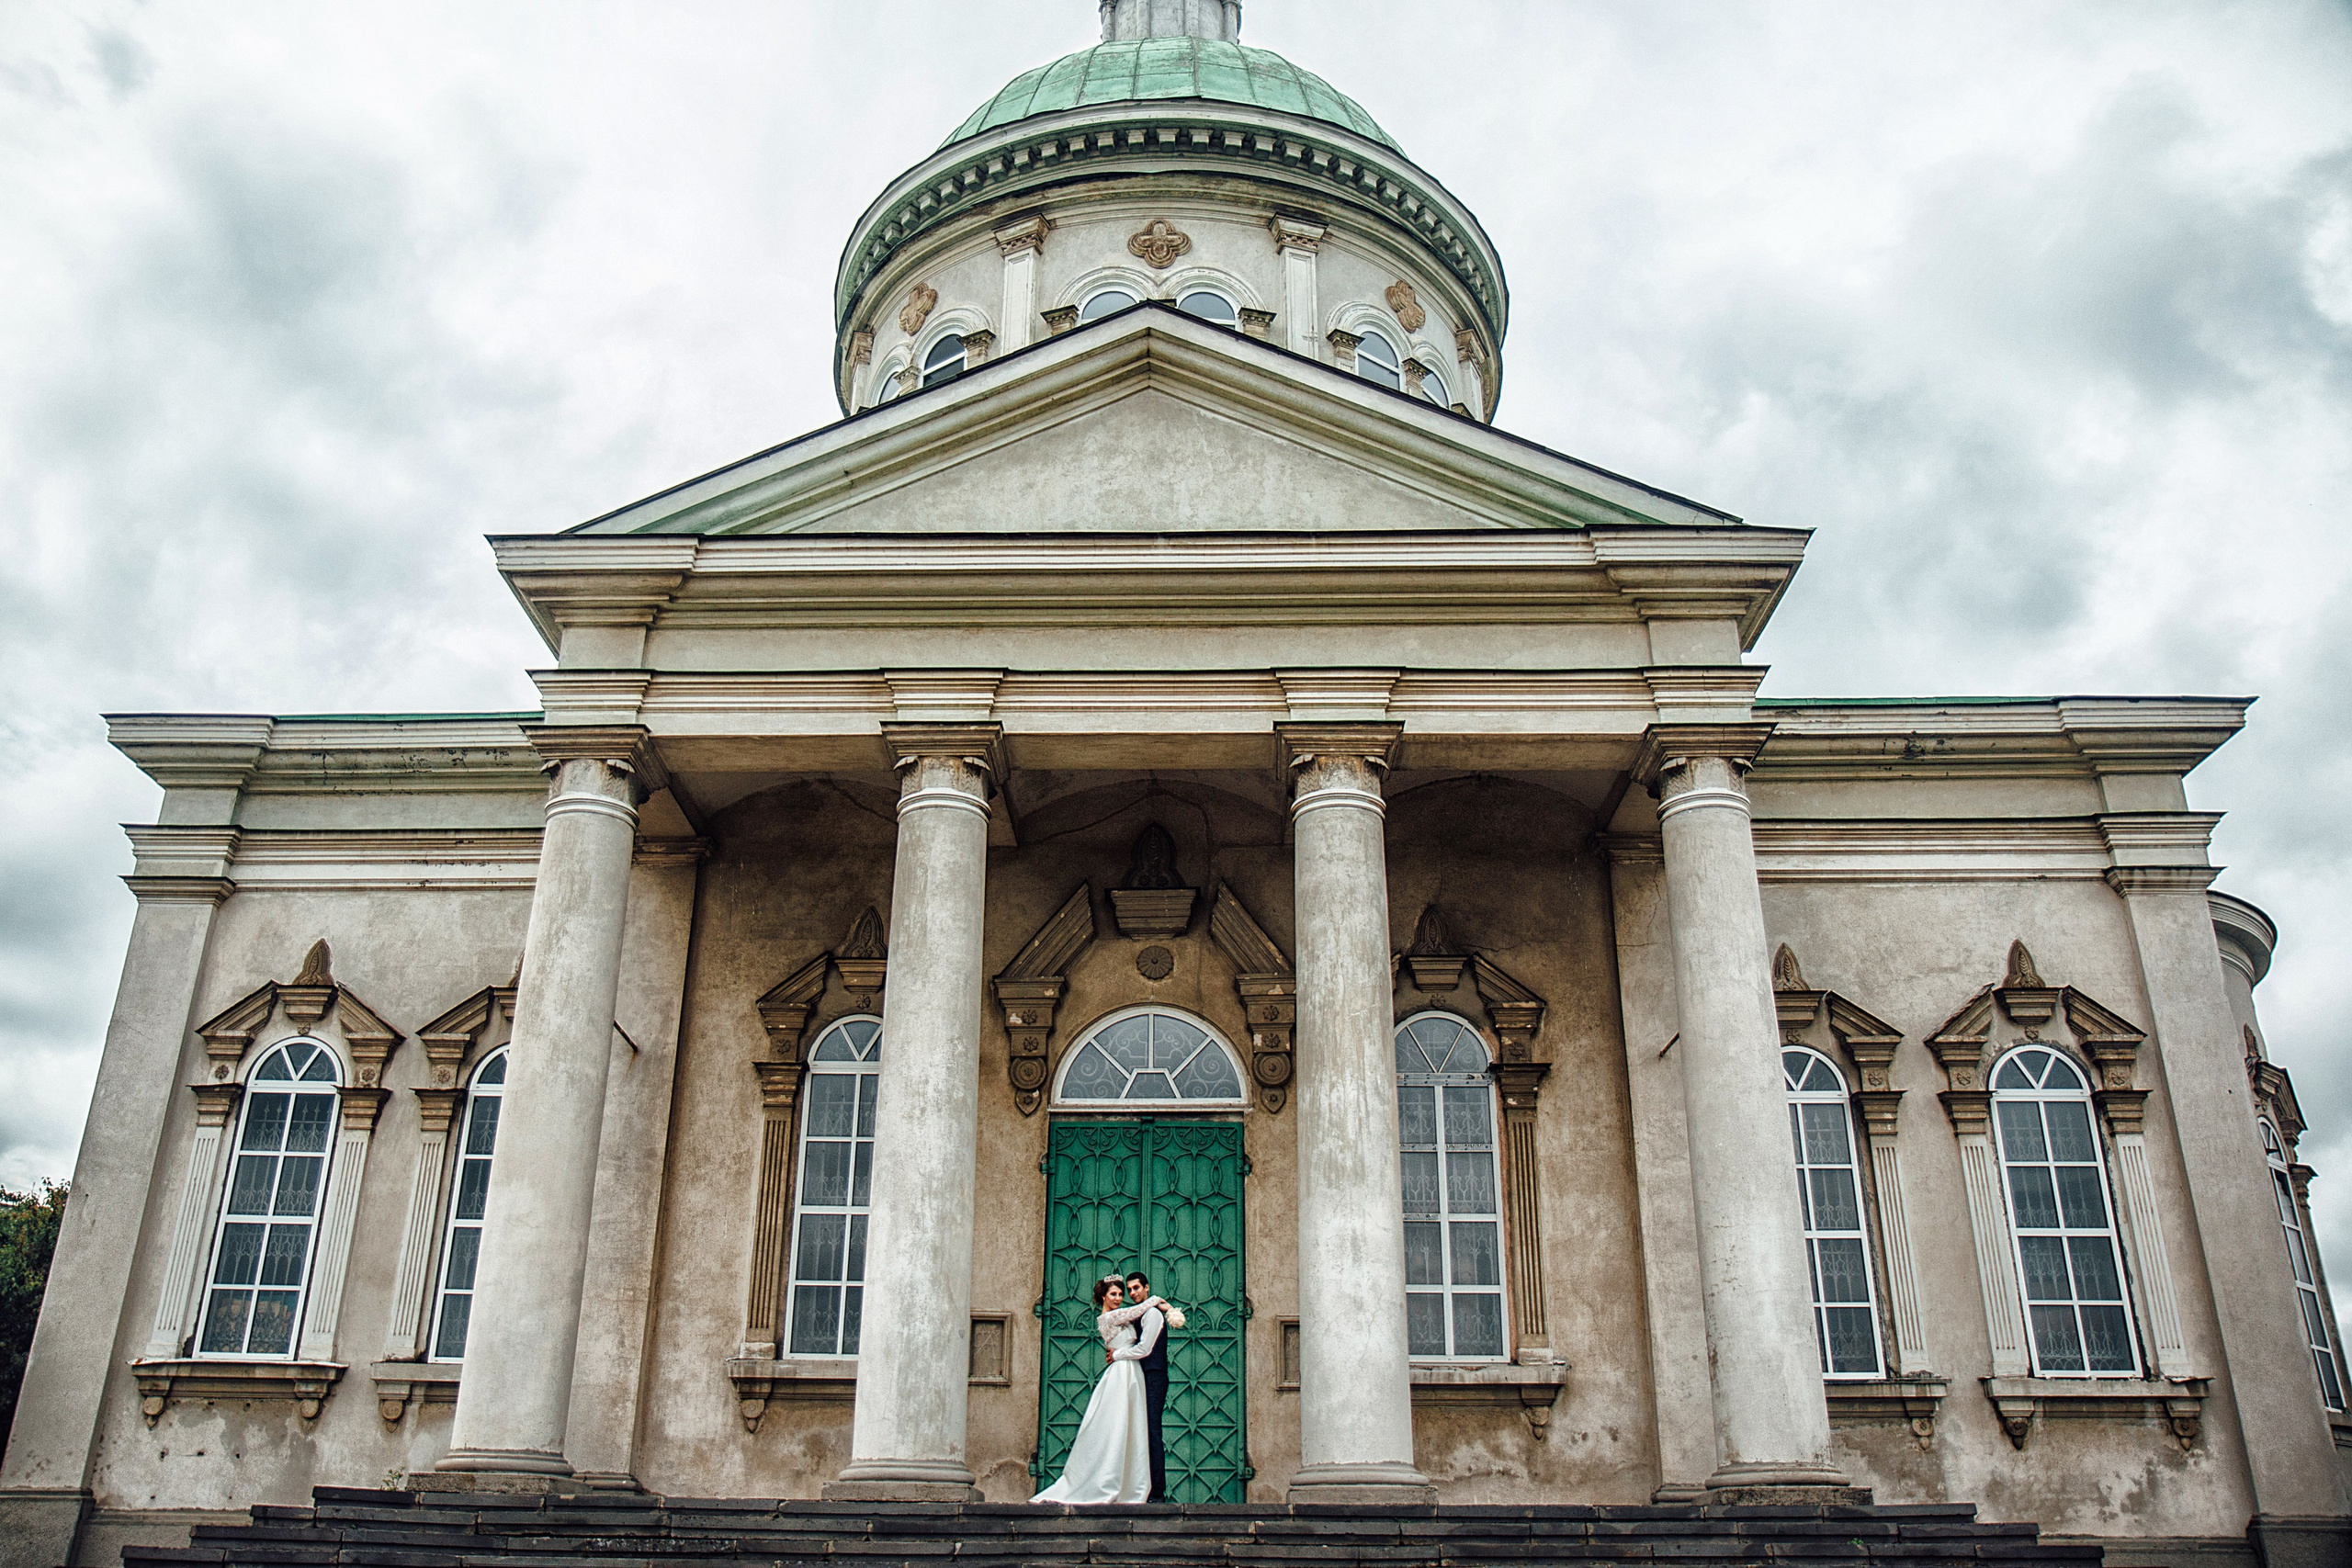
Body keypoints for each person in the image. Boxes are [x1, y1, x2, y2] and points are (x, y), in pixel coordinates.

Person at [1030, 1275, 1166, 1505]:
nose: (1119, 1298)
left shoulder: (1124, 1316)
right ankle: (1108, 1481)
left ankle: (1132, 1482)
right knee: (1117, 1426)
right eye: (1114, 1294)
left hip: (1133, 1373)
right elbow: (1137, 1312)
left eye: (1121, 1294)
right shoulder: (1109, 1317)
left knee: (1133, 1427)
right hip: (1122, 1373)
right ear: (1103, 1296)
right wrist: (1157, 1301)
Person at [1124, 1271, 1170, 1503]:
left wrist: (1118, 1355)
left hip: (1154, 1377)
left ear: (1147, 1287)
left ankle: (1157, 1492)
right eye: (1129, 1290)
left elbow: (1145, 1349)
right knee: (1141, 1432)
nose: (1132, 1293)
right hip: (1141, 1376)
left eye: (1136, 1288)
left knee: (1152, 1431)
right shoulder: (1140, 1312)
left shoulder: (1152, 1314)